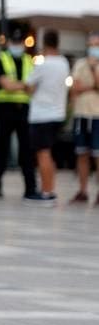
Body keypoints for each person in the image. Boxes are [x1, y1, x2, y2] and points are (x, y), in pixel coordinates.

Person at [24, 30, 70, 205]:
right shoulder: (63, 62)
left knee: (43, 154)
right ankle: (51, 189)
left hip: (41, 114)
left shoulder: (43, 64)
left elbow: (29, 87)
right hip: (58, 113)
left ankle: (46, 191)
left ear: (44, 42)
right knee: (50, 154)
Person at [0, 27, 37, 201]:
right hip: (5, 108)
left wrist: (16, 85)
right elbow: (5, 84)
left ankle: (30, 187)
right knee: (1, 147)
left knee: (27, 148)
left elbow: (32, 87)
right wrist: (24, 85)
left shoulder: (28, 60)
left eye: (19, 42)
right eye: (14, 42)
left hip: (23, 109)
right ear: (9, 43)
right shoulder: (2, 59)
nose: (17, 45)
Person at [69, 34, 99, 205]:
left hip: (97, 115)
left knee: (97, 153)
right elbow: (74, 87)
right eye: (91, 44)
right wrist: (92, 87)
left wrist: (94, 70)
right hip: (81, 114)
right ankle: (83, 190)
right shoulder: (80, 64)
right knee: (82, 153)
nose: (94, 48)